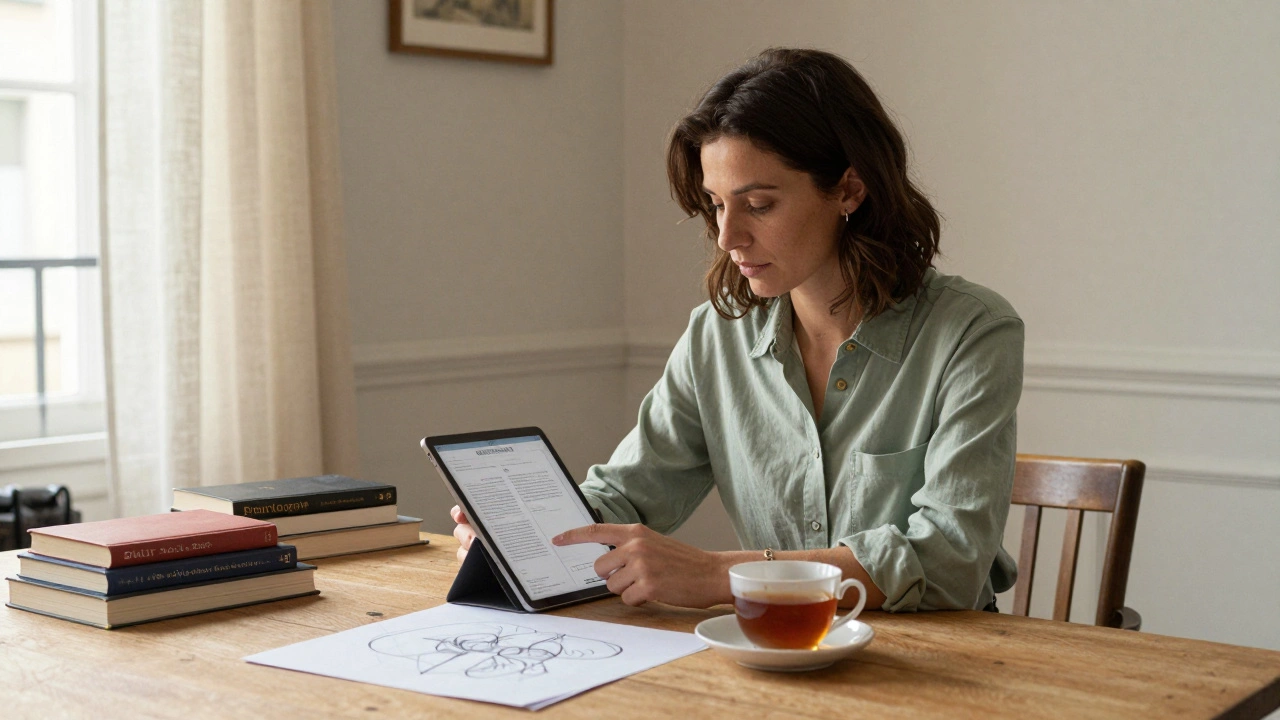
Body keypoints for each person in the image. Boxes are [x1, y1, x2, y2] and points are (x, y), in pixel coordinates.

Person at [451, 48, 1022, 613]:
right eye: (717, 204)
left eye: (759, 205)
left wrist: (721, 574)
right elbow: (630, 493)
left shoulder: (971, 332)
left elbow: (950, 559)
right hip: (768, 650)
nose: (727, 237)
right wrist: (524, 533)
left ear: (849, 189)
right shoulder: (717, 337)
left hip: (946, 660)